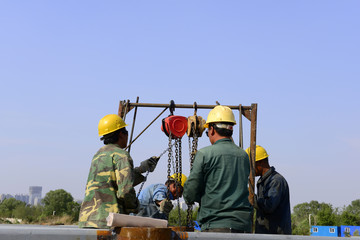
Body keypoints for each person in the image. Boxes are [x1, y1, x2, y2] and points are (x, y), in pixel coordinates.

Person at [79, 114, 159, 228]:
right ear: (121, 134)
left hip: (87, 219)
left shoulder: (98, 155)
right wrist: (135, 206)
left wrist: (141, 169)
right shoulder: (121, 155)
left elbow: (110, 182)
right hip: (109, 220)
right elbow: (125, 190)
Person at [183, 105, 252, 233]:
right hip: (243, 228)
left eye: (207, 131)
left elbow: (190, 194)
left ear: (212, 129)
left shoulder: (204, 154)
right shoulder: (243, 156)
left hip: (214, 226)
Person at [245, 145, 292, 235]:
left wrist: (251, 197)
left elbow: (269, 206)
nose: (250, 169)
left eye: (251, 166)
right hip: (266, 234)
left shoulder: (275, 181)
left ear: (260, 163)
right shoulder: (264, 181)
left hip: (275, 235)